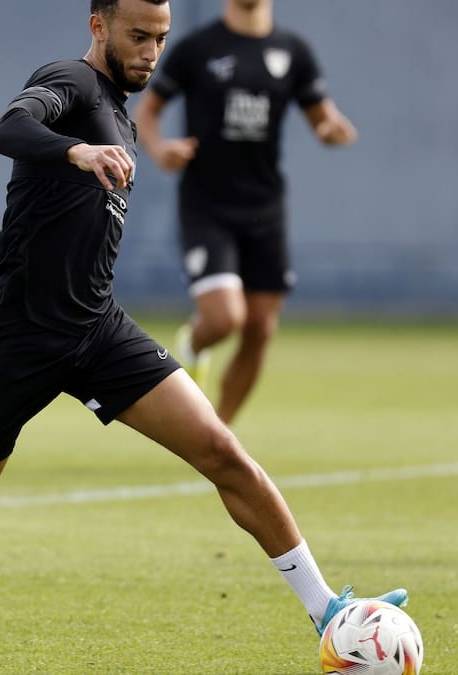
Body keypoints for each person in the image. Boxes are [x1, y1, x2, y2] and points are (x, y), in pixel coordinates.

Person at [0, 0, 404, 637]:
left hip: (97, 330)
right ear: (98, 27)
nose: (151, 53)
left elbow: (49, 214)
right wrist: (75, 152)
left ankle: (327, 610)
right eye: (138, 36)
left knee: (223, 452)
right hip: (12, 337)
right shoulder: (69, 81)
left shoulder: (121, 119)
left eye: (160, 38)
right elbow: (9, 129)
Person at [133, 0, 358, 423]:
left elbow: (323, 117)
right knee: (224, 319)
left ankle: (219, 431)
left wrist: (332, 130)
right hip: (207, 204)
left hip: (265, 207)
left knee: (260, 328)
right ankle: (193, 345)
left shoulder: (293, 51)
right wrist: (160, 149)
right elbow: (148, 112)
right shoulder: (198, 48)